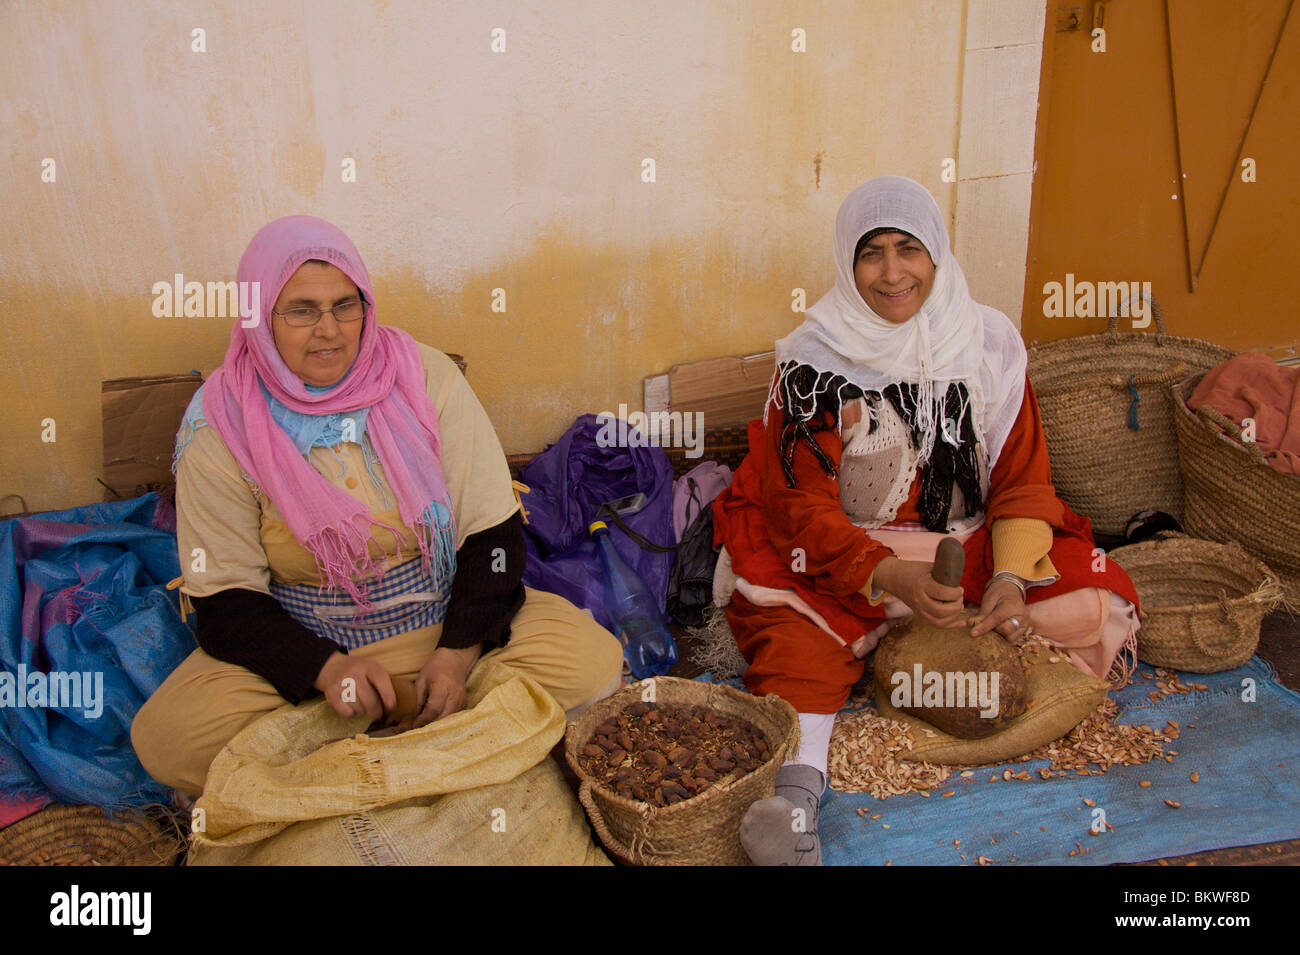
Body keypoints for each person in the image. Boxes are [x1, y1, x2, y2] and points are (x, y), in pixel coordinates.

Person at [711, 176, 1141, 865]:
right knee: (792, 639)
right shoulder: (815, 360)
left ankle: (910, 637)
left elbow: (1023, 477)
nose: (891, 272)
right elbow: (797, 506)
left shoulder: (989, 343)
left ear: (936, 255)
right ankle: (793, 800)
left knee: (1095, 596)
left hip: (964, 549)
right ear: (846, 266)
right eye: (870, 253)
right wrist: (888, 576)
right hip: (843, 556)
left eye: (908, 249)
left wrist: (1007, 579)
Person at [131, 215, 624, 798]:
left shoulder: (423, 377)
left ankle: (357, 749)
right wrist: (328, 671)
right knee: (168, 740)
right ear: (259, 317)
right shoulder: (221, 422)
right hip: (310, 641)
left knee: (592, 662)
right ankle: (433, 740)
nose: (330, 331)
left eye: (346, 305)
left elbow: (493, 540)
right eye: (301, 310)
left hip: (439, 619)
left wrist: (457, 654)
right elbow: (226, 600)